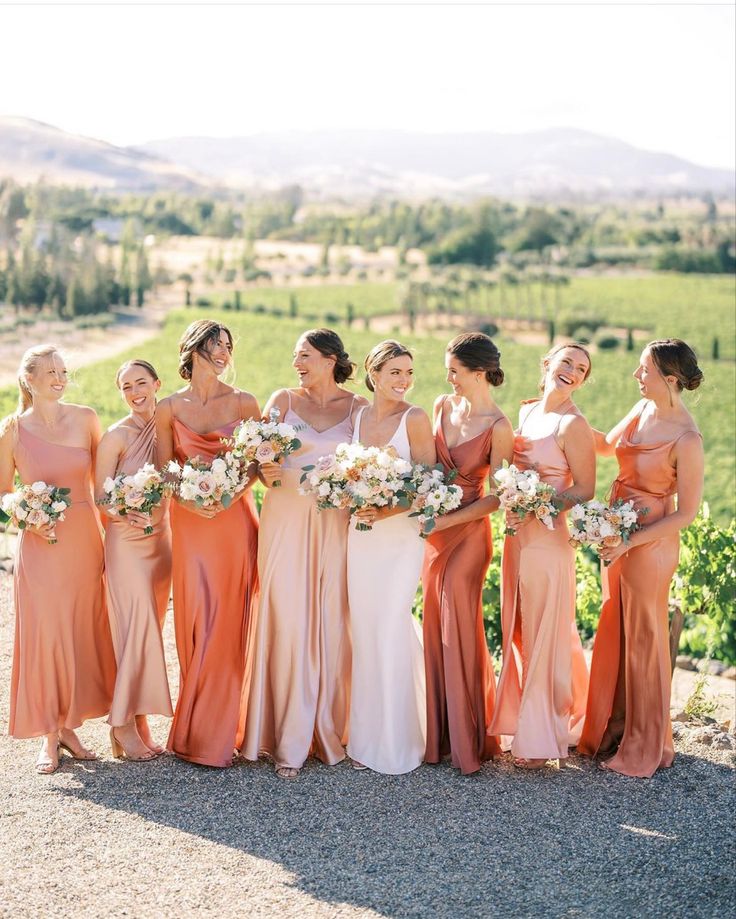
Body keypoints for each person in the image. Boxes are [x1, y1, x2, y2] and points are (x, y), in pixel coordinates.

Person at [239, 329, 367, 778]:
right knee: (288, 616)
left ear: (330, 359)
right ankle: (284, 737)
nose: (297, 361)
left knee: (331, 619)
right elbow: (257, 465)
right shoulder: (281, 400)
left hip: (334, 521)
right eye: (295, 354)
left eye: (305, 355)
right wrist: (265, 470)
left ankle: (326, 728)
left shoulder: (358, 409)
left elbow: (370, 467)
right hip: (285, 517)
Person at [579, 339, 704, 778]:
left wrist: (630, 543)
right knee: (615, 627)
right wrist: (560, 409)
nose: (636, 377)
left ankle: (646, 742)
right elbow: (602, 447)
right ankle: (613, 728)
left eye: (643, 371)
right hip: (616, 530)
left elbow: (686, 514)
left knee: (646, 639)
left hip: (650, 543)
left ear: (670, 380)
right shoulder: (641, 410)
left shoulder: (687, 439)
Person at [0, 345, 115, 774]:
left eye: (63, 370)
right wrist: (28, 521)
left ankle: (69, 726)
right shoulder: (11, 430)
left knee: (80, 630)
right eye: (49, 371)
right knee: (47, 634)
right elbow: (2, 494)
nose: (59, 377)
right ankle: (49, 733)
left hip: (85, 540)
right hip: (40, 546)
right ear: (28, 378)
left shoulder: (86, 419)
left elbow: (101, 486)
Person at [156, 321, 259, 767]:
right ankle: (192, 725)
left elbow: (258, 466)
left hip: (234, 520)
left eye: (227, 345)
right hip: (191, 522)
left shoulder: (244, 402)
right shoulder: (167, 407)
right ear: (192, 348)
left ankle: (220, 733)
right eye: (214, 344)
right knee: (195, 619)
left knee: (228, 621)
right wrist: (189, 500)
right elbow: (164, 468)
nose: (223, 351)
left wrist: (228, 494)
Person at [491, 343, 594, 769]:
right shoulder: (529, 412)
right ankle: (526, 721)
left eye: (582, 369)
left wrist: (539, 505)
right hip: (517, 537)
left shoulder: (573, 425)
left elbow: (584, 488)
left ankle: (540, 736)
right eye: (567, 362)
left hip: (549, 541)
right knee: (519, 630)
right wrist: (513, 504)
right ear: (547, 364)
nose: (572, 371)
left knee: (545, 634)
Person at [422, 332, 514, 775]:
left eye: (455, 371)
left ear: (479, 373)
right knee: (435, 623)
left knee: (458, 618)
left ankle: (468, 737)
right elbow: (430, 468)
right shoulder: (441, 405)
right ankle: (438, 736)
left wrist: (442, 521)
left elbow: (497, 498)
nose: (449, 379)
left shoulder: (499, 427)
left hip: (468, 533)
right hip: (433, 530)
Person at [346, 341, 436, 774]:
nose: (403, 381)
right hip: (361, 535)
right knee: (364, 628)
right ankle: (365, 737)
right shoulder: (360, 415)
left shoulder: (415, 417)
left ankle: (400, 739)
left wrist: (387, 509)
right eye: (395, 372)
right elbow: (346, 472)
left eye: (408, 373)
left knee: (392, 621)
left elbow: (429, 480)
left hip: (400, 534)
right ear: (374, 372)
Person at [95, 359, 173, 761]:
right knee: (133, 628)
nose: (135, 391)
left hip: (161, 543)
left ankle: (137, 720)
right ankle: (121, 723)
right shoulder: (115, 436)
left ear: (157, 384)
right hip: (126, 542)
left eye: (141, 383)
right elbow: (100, 498)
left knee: (148, 632)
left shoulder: (168, 429)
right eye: (126, 387)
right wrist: (126, 511)